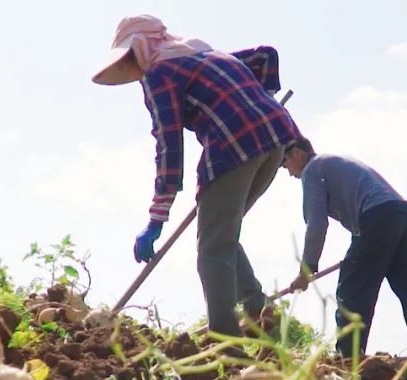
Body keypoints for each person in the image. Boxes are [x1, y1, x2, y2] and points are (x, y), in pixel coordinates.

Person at [91, 15, 300, 338]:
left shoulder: (160, 72)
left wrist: (157, 217)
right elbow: (265, 55)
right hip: (275, 137)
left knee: (211, 251)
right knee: (222, 236)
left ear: (144, 47)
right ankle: (259, 311)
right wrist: (265, 99)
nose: (133, 68)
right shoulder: (202, 54)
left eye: (131, 56)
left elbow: (168, 144)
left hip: (234, 146)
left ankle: (225, 342)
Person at [282, 137, 407, 360]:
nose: (288, 172)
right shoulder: (333, 163)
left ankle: (348, 361)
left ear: (297, 152)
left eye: (285, 162)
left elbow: (317, 224)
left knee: (352, 291)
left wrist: (306, 270)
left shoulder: (312, 169)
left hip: (379, 217)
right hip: (405, 216)